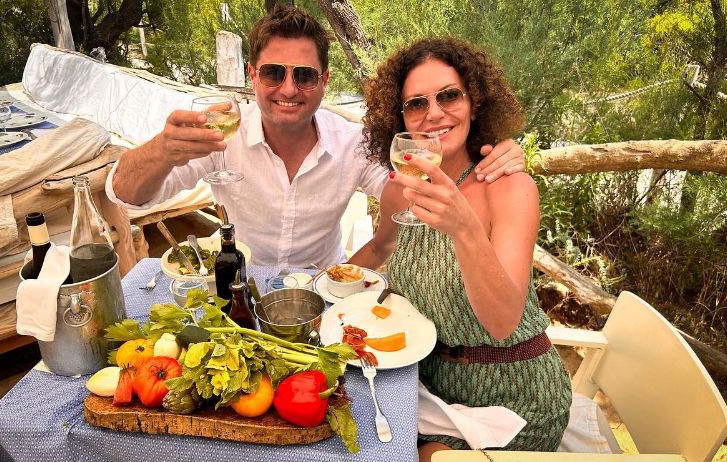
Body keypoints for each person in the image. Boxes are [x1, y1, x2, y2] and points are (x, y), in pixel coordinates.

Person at [105, 6, 525, 268]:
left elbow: (410, 186)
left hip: (325, 292)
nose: (288, 89)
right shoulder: (219, 136)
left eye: (303, 75)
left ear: (324, 81)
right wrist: (161, 150)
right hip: (241, 288)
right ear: (252, 76)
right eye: (273, 73)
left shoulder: (352, 143)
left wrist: (487, 148)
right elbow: (125, 193)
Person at [349, 37, 572, 456]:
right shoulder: (402, 190)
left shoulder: (509, 188)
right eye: (416, 103)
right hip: (425, 380)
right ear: (399, 118)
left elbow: (503, 320)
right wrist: (322, 285)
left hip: (511, 396)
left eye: (449, 95)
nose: (433, 113)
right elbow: (380, 248)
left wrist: (465, 229)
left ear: (475, 103)